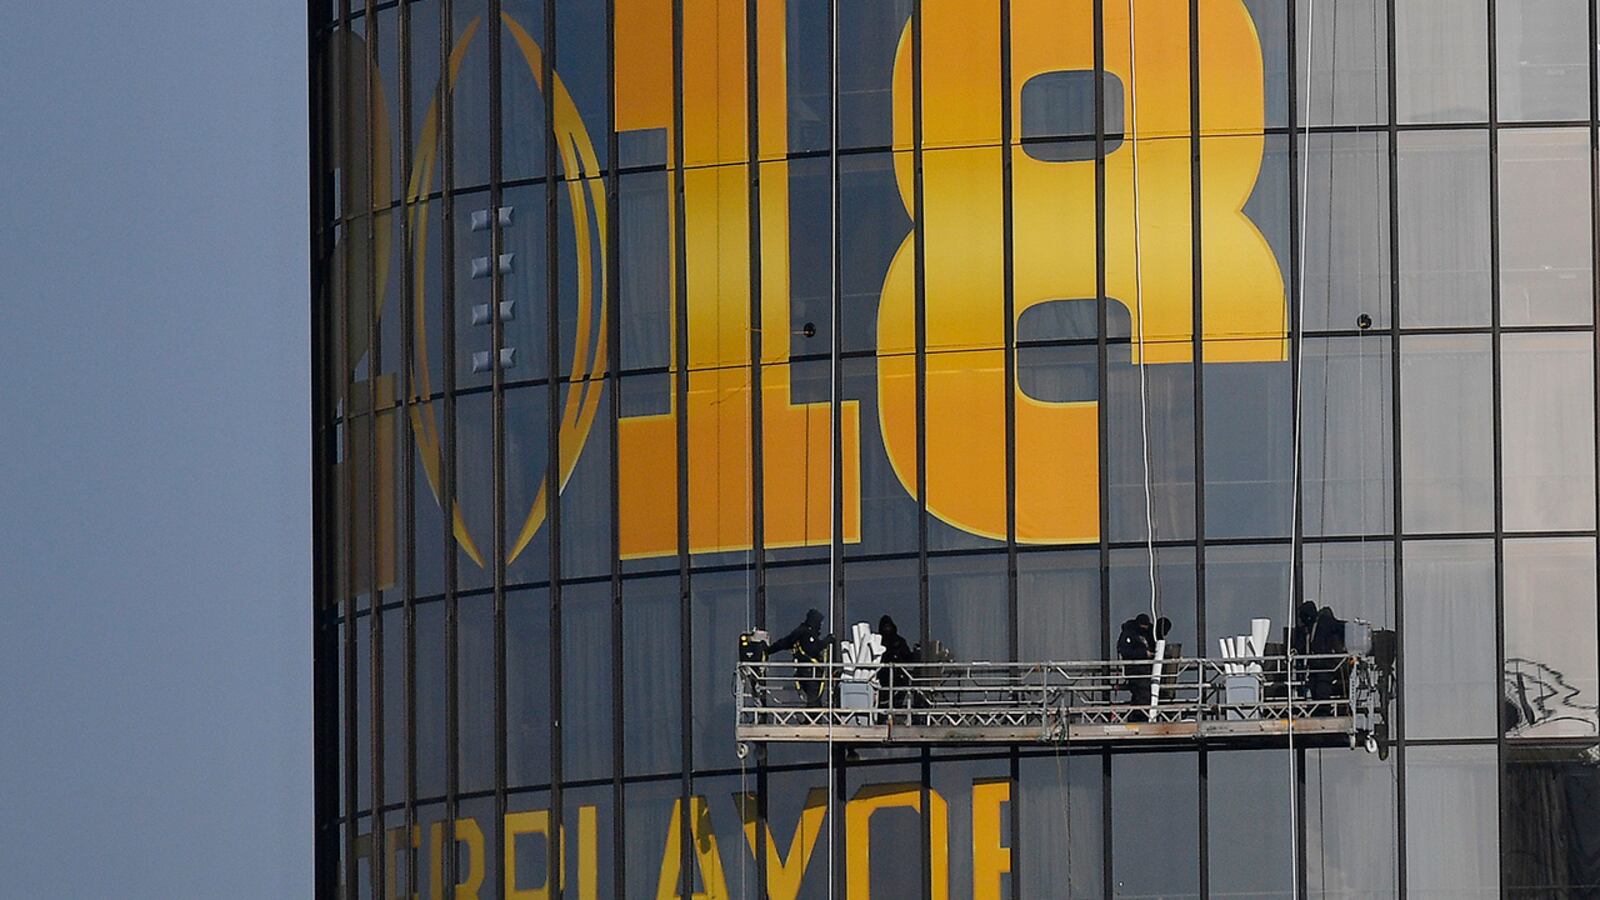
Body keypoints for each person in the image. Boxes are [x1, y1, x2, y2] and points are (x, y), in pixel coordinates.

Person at [768, 608, 834, 706]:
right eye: (819, 623)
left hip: (805, 672)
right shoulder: (806, 633)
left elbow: (784, 643)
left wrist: (769, 650)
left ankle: (811, 719)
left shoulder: (799, 632)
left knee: (814, 700)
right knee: (813, 701)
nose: (820, 626)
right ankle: (812, 720)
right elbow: (812, 649)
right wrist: (826, 641)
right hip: (810, 673)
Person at [1117, 614, 1156, 718]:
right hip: (1135, 670)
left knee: (1143, 694)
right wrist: (1143, 653)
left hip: (1147, 670)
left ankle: (1138, 716)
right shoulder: (1129, 633)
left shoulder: (1150, 632)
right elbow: (1124, 651)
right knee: (1142, 694)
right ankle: (1139, 717)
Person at [876, 615, 914, 710]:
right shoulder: (877, 642)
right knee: (882, 704)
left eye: (889, 626)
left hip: (899, 678)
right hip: (881, 678)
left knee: (897, 703)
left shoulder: (899, 642)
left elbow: (909, 658)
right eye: (885, 627)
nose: (887, 629)